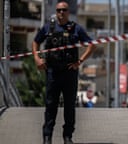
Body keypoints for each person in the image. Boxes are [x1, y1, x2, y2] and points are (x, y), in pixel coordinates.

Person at [32, 1, 96, 144]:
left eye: (64, 10)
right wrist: (37, 58)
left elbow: (92, 45)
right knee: (50, 105)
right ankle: (47, 137)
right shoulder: (48, 27)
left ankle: (68, 137)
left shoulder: (76, 29)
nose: (61, 12)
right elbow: (36, 42)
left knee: (69, 107)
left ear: (68, 12)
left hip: (69, 73)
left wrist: (79, 61)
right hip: (52, 72)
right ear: (56, 11)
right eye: (59, 10)